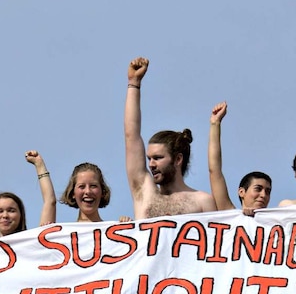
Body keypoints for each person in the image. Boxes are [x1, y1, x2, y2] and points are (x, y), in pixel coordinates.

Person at [124, 57, 217, 219]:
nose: (151, 164)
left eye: (158, 158)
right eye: (149, 158)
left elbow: (217, 242)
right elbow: (131, 136)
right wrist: (134, 83)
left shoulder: (203, 201)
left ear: (178, 159)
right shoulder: (144, 193)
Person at [207, 101, 273, 213]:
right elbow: (214, 170)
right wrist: (215, 123)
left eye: (268, 191)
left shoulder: (275, 223)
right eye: (258, 189)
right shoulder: (230, 215)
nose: (263, 195)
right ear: (242, 192)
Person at [58, 162, 132, 223]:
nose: (88, 191)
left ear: (102, 191)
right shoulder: (62, 234)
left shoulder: (117, 230)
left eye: (93, 186)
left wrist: (127, 228)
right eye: (82, 186)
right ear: (73, 193)